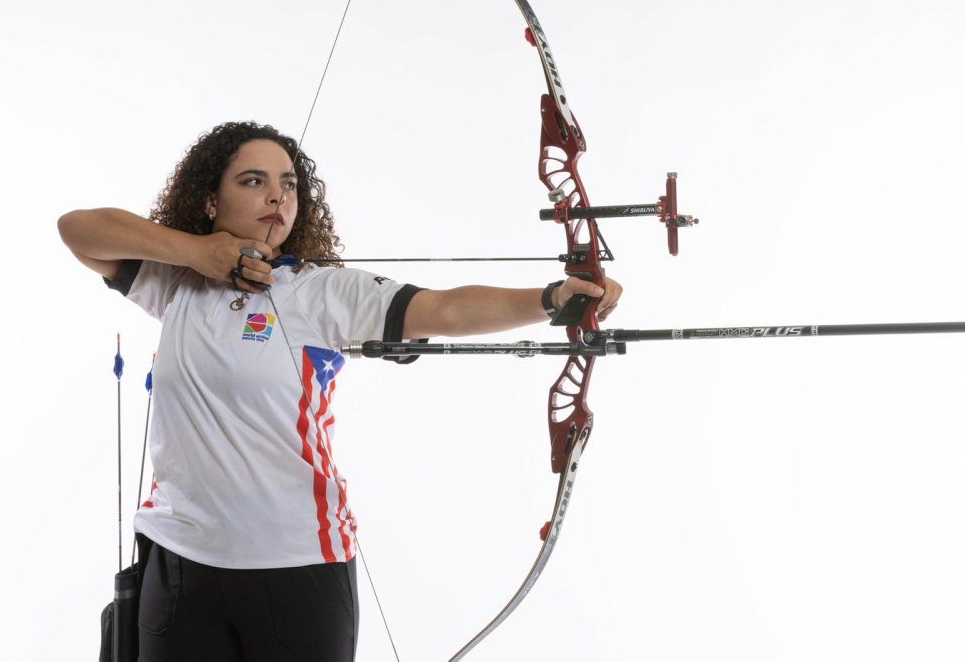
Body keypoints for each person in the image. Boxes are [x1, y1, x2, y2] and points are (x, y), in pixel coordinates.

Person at [58, 120, 621, 661]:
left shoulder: (320, 291)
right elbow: (77, 229)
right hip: (179, 568)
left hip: (297, 569)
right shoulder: (176, 282)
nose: (276, 196)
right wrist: (197, 252)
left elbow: (443, 309)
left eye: (288, 184)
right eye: (253, 181)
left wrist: (551, 299)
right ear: (210, 200)